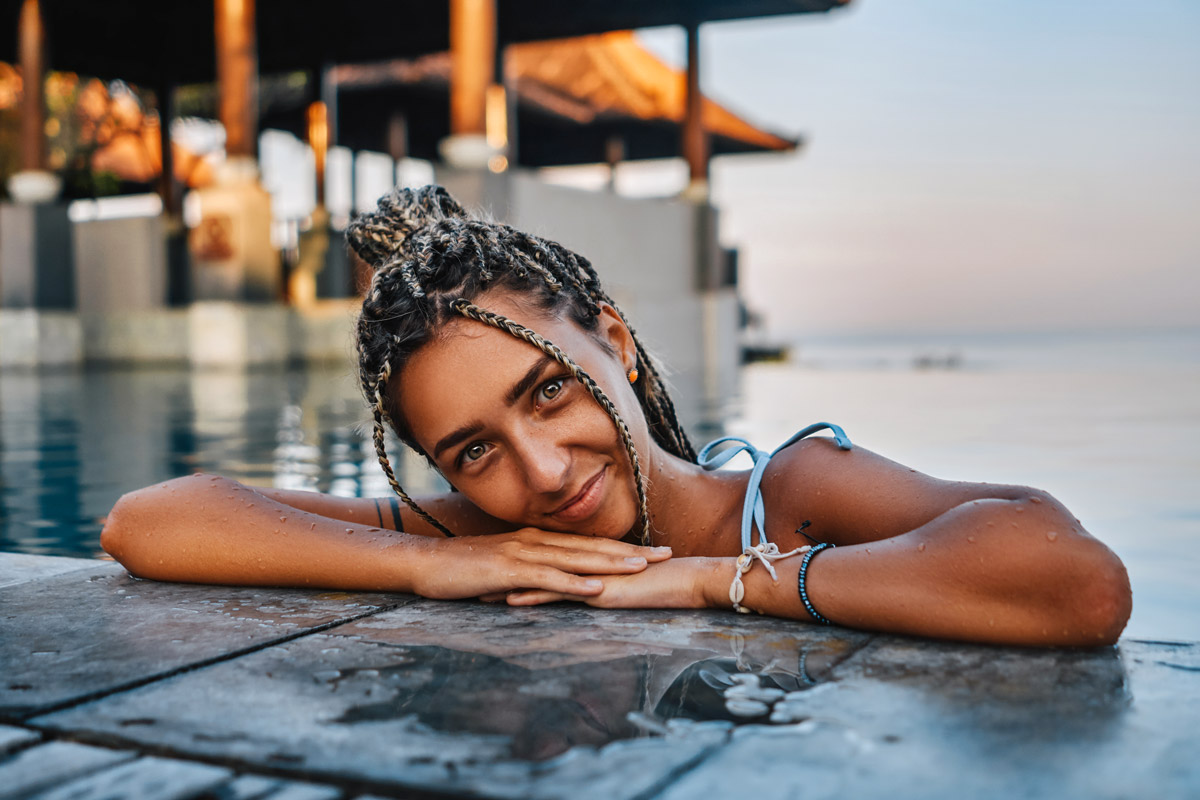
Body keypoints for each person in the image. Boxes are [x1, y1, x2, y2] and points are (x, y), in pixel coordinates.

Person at [100, 185, 1132, 647]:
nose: (542, 470)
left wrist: (717, 581)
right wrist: (431, 560)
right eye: (474, 450)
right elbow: (152, 519)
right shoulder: (491, 535)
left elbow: (1075, 577)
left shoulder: (783, 498)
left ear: (616, 340)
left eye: (548, 387)